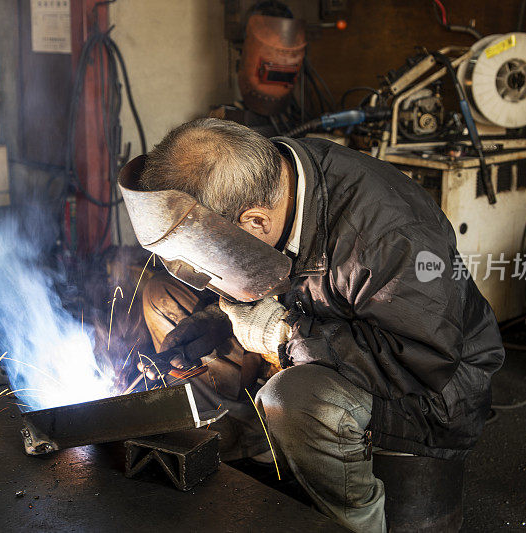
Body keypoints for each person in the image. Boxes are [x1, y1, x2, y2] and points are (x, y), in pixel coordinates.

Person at [124, 118, 504, 532]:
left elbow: (422, 360)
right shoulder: (268, 176)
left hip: (431, 387)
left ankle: (352, 521)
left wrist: (283, 334)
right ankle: (258, 445)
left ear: (255, 222)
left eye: (206, 261)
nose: (203, 274)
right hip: (324, 329)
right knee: (163, 297)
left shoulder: (392, 238)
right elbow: (281, 275)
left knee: (295, 399)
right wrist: (218, 320)